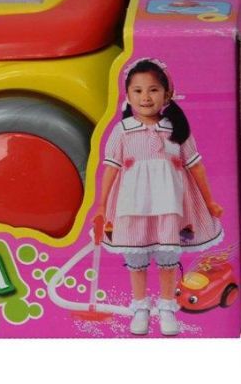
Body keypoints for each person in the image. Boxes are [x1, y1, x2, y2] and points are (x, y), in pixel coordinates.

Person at [94, 58, 223, 336]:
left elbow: (196, 166)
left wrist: (210, 201)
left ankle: (166, 306)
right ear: (127, 95)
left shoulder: (175, 130)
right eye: (138, 91)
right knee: (136, 257)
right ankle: (140, 307)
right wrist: (102, 205)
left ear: (166, 94)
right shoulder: (122, 131)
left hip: (169, 205)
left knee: (167, 256)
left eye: (153, 90)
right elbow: (111, 169)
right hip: (133, 205)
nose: (145, 97)